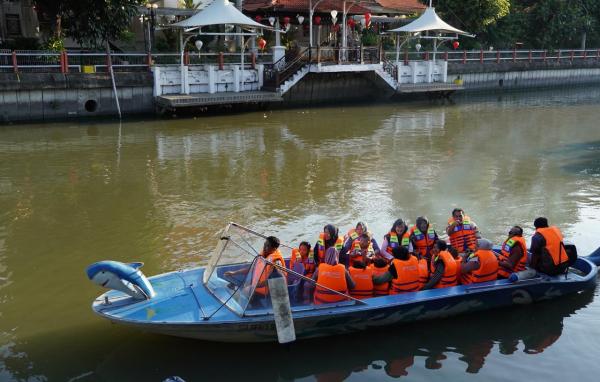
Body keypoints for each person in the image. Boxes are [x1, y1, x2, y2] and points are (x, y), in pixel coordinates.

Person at [223, 236, 286, 302]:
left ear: (274, 249)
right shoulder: (264, 254)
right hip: (256, 285)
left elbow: (272, 280)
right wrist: (235, 273)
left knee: (242, 295)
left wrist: (252, 287)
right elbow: (253, 268)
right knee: (232, 282)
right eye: (264, 244)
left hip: (267, 293)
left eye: (267, 246)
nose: (264, 247)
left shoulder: (276, 262)